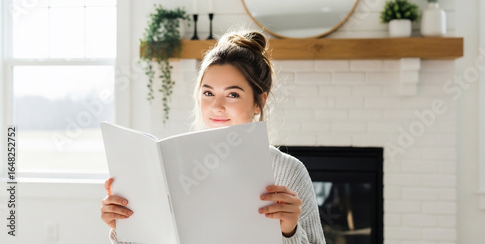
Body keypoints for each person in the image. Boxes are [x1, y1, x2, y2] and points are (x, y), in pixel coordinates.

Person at [100, 30, 326, 244]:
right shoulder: (171, 167)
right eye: (208, 93)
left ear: (259, 102)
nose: (216, 106)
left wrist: (290, 232)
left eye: (233, 94)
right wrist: (124, 228)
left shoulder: (287, 172)